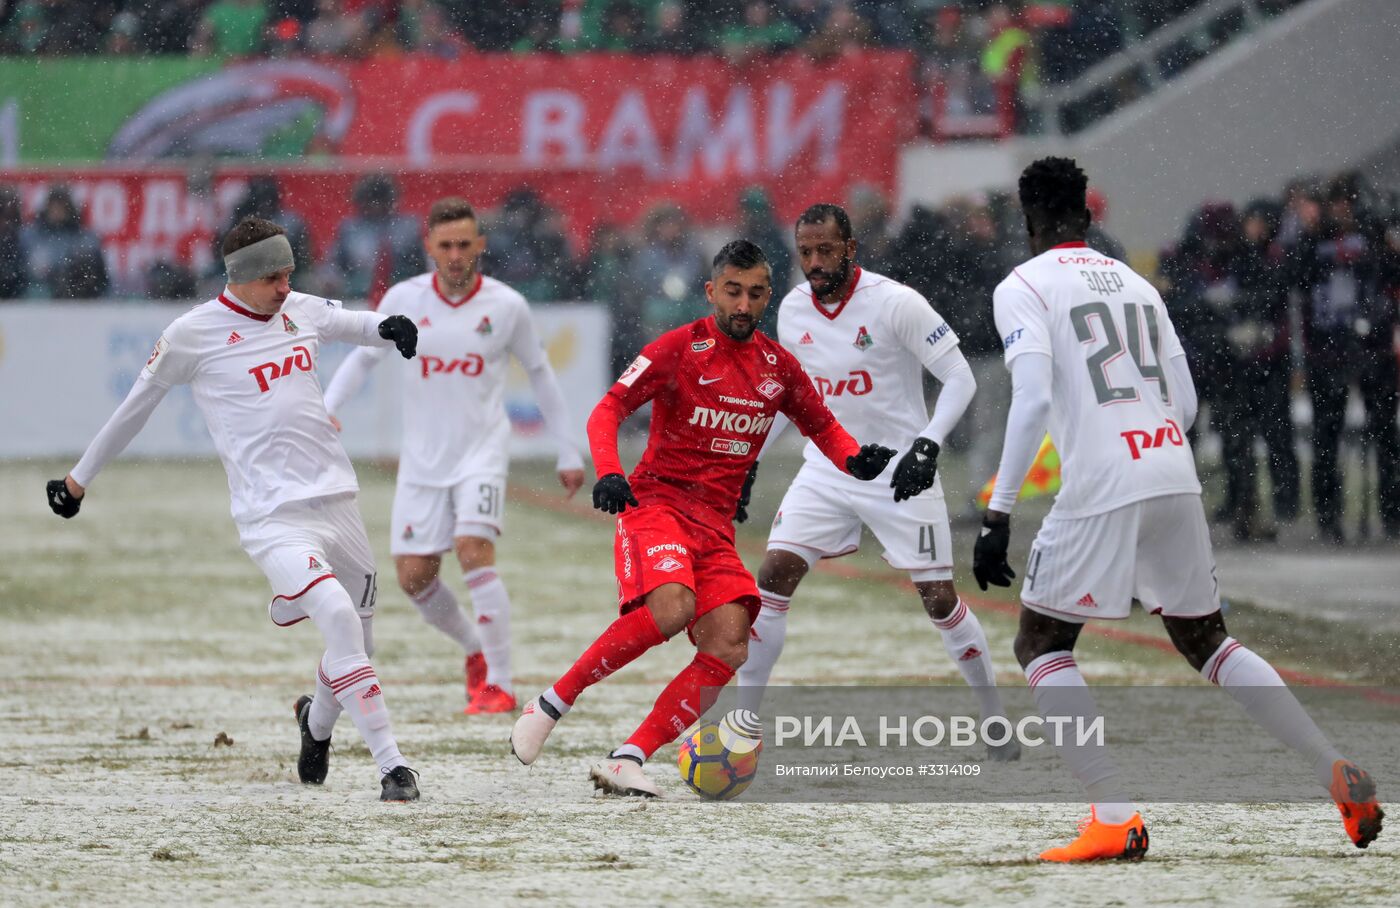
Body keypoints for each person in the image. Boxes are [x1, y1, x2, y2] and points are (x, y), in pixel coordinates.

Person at [972, 157, 1382, 861]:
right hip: (1170, 464)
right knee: (1209, 643)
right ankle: (1330, 767)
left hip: (1104, 478)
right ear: (1088, 216)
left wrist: (998, 511)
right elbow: (1186, 403)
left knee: (1041, 644)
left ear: (1029, 221)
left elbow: (1034, 396)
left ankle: (1114, 817)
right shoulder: (1138, 284)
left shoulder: (1023, 285)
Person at [45, 216, 424, 802]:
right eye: (273, 277)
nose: (284, 286)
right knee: (339, 619)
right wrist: (77, 480)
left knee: (358, 646)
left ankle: (315, 723)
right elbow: (134, 409)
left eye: (288, 273)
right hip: (272, 518)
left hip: (337, 499)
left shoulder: (299, 307)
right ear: (242, 278)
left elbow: (354, 323)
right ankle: (392, 767)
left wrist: (390, 328)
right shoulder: (192, 334)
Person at [510, 239, 896, 796]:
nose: (743, 305)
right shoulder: (679, 347)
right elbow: (609, 407)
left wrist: (856, 459)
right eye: (733, 292)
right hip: (656, 504)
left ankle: (629, 756)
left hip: (715, 525)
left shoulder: (778, 367)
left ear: (768, 296)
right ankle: (550, 703)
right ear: (712, 291)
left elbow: (824, 427)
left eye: (756, 294)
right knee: (673, 607)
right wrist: (610, 471)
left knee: (730, 641)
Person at [734, 203, 1016, 761]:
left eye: (826, 251)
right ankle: (744, 725)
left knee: (938, 599)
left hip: (900, 473)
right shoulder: (791, 311)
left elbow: (958, 378)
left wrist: (928, 444)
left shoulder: (895, 303)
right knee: (772, 576)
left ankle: (994, 717)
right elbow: (793, 400)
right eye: (806, 253)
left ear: (851, 248)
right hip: (828, 467)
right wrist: (749, 462)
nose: (815, 263)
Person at [323, 197, 585, 714]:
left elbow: (540, 372)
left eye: (465, 244)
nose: (456, 254)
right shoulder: (404, 297)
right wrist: (327, 409)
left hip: (482, 452)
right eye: (446, 245)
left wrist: (566, 449)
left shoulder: (507, 306)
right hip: (422, 460)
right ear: (429, 248)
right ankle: (475, 652)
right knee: (414, 577)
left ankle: (502, 683)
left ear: (481, 245)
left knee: (472, 549)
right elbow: (363, 358)